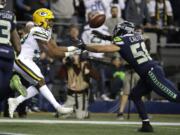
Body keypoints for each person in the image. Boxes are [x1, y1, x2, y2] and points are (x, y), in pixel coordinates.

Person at [78, 21, 180, 132]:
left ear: (123, 30)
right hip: (149, 71)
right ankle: (146, 125)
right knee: (135, 95)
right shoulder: (137, 35)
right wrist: (105, 37)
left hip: (151, 73)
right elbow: (123, 40)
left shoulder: (122, 40)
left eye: (118, 30)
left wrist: (85, 46)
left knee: (175, 97)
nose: (116, 32)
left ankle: (146, 124)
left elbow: (100, 49)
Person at [8, 8, 78, 118]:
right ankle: (58, 107)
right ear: (42, 20)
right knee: (40, 82)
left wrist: (73, 48)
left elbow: (56, 47)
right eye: (49, 20)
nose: (52, 22)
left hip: (28, 60)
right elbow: (52, 52)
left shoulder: (45, 31)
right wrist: (70, 53)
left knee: (39, 85)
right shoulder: (37, 30)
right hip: (21, 59)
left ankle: (15, 101)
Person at [58, 51, 99, 119]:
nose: (73, 56)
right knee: (59, 115)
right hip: (71, 95)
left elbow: (97, 77)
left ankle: (84, 113)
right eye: (73, 55)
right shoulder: (68, 65)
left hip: (82, 95)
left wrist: (90, 72)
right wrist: (63, 65)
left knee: (80, 117)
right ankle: (72, 110)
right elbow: (60, 76)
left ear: (80, 56)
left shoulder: (85, 65)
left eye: (75, 55)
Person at [0, 0, 22, 100]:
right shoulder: (10, 15)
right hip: (8, 54)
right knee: (4, 87)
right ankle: (12, 87)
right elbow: (17, 45)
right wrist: (18, 51)